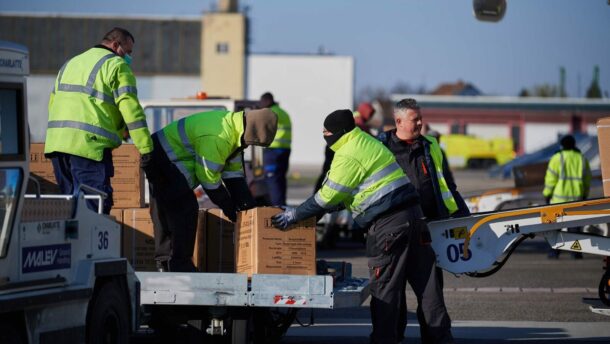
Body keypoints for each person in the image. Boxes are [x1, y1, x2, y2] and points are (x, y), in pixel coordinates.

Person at [271, 109, 453, 344]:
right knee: (428, 288)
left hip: (388, 226)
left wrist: (294, 215)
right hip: (416, 219)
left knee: (385, 289)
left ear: (338, 132)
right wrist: (318, 211)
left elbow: (326, 197)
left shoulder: (347, 153)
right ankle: (441, 339)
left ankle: (385, 340)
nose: (325, 136)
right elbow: (351, 194)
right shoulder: (366, 141)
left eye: (326, 132)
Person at [144, 109, 277, 272]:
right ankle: (179, 265)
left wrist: (248, 211)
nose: (248, 146)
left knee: (169, 208)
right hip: (160, 158)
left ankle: (166, 263)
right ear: (249, 134)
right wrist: (230, 210)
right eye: (251, 143)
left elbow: (234, 177)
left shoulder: (233, 131)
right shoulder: (219, 138)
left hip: (169, 157)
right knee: (185, 209)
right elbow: (209, 180)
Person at [45, 27, 153, 214]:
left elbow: (53, 102)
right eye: (128, 52)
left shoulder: (71, 63)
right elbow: (131, 109)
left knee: (68, 209)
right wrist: (146, 148)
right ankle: (90, 245)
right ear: (115, 45)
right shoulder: (117, 66)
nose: (129, 57)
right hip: (88, 147)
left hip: (57, 145)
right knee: (94, 208)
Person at [543, 134, 591, 259]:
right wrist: (585, 194)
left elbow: (550, 179)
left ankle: (554, 253)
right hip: (576, 199)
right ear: (574, 144)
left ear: (562, 145)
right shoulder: (581, 158)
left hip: (558, 199)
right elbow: (587, 179)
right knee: (575, 229)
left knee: (555, 228)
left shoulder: (557, 158)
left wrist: (547, 195)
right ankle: (576, 253)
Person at [260, 92, 291, 206]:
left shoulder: (271, 112)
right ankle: (282, 205)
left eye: (262, 102)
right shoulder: (283, 112)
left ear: (267, 101)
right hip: (284, 150)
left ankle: (276, 209)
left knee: (272, 180)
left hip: (274, 151)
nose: (261, 105)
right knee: (280, 179)